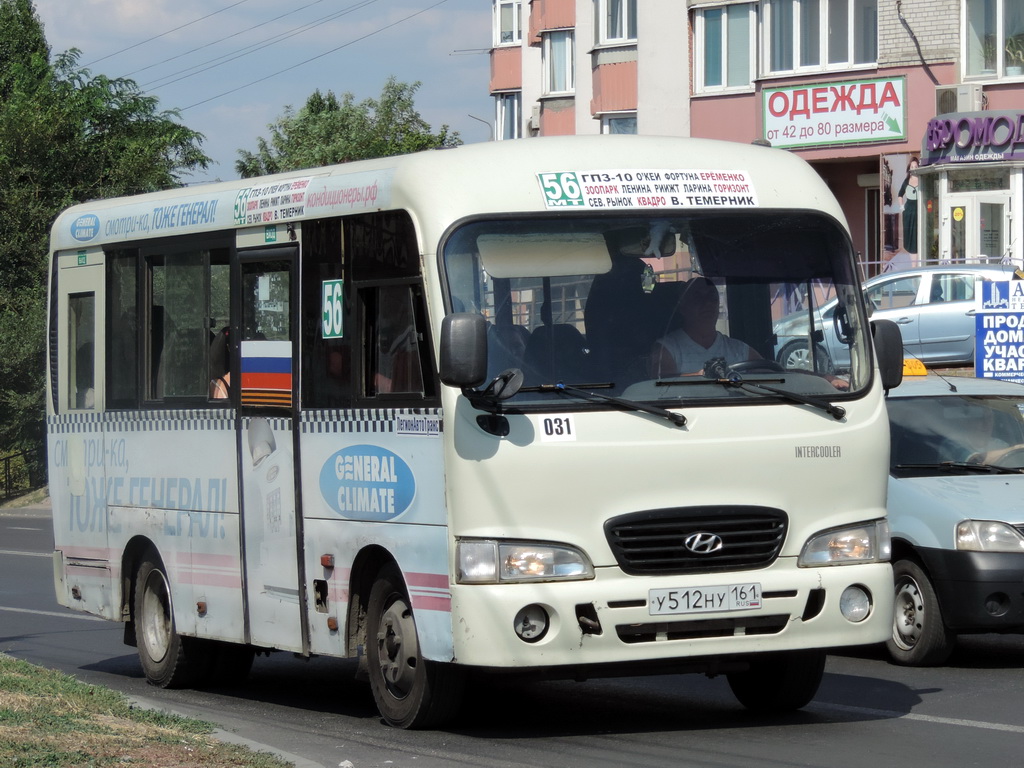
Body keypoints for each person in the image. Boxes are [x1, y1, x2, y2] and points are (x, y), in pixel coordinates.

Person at [650, 276, 759, 377]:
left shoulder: (740, 350)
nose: (708, 303)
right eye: (698, 297)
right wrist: (700, 376)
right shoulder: (667, 349)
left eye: (712, 297)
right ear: (682, 307)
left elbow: (770, 375)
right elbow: (662, 385)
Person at [897, 157, 919, 255]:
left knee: (918, 234)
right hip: (909, 211)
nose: (914, 168)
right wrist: (902, 207)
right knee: (910, 235)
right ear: (909, 168)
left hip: (919, 210)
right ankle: (913, 263)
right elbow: (900, 194)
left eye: (916, 166)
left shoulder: (922, 180)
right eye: (912, 166)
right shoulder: (906, 182)